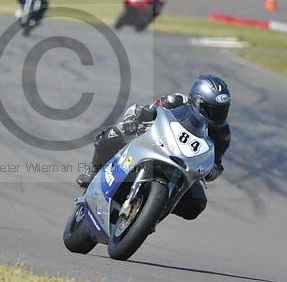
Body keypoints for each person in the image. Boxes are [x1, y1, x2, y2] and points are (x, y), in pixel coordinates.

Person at [75, 75, 232, 221]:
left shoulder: (222, 135)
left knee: (197, 204)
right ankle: (94, 171)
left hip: (184, 166)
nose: (218, 115)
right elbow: (142, 111)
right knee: (113, 134)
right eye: (212, 109)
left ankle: (150, 214)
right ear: (197, 101)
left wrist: (211, 170)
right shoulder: (175, 101)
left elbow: (215, 163)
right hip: (154, 145)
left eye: (222, 110)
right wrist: (134, 121)